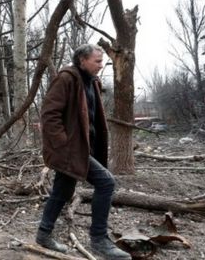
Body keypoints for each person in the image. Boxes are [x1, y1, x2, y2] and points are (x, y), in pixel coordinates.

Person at [35, 44, 131, 260]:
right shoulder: (66, 78)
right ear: (82, 60)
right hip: (71, 149)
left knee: (62, 191)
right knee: (106, 182)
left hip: (81, 148)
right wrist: (63, 144)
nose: (102, 64)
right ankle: (99, 241)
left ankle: (43, 234)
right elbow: (49, 115)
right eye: (97, 61)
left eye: (102, 60)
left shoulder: (91, 82)